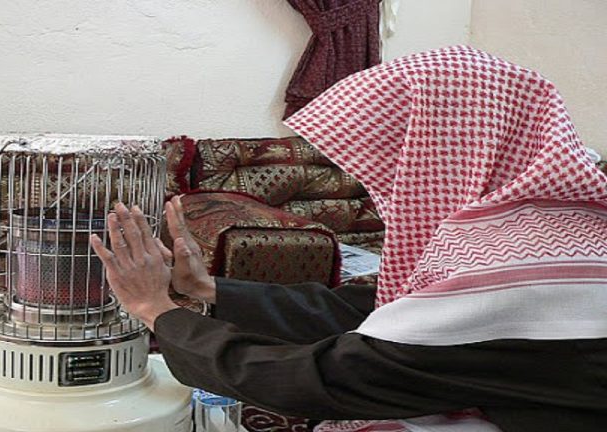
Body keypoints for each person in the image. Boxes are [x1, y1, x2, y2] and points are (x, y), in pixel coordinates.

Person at [89, 46, 607, 432]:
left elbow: (328, 379)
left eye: (393, 160)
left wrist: (158, 311)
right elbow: (370, 310)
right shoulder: (549, 232)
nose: (379, 186)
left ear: (451, 153)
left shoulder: (515, 274)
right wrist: (208, 289)